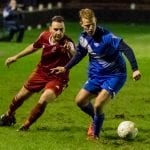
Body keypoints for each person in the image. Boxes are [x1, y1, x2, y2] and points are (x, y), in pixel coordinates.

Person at [50, 8, 141, 140]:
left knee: (98, 104)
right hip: (96, 76)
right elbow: (80, 54)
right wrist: (65, 67)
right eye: (87, 25)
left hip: (115, 75)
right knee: (80, 101)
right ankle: (96, 118)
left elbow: (127, 49)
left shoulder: (107, 37)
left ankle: (95, 135)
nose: (91, 27)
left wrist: (135, 69)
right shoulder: (83, 37)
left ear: (95, 21)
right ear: (81, 24)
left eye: (93, 24)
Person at [0, 16, 75, 131]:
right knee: (20, 97)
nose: (59, 32)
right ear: (50, 28)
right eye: (56, 29)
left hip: (58, 78)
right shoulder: (44, 36)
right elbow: (34, 46)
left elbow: (75, 54)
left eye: (62, 29)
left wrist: (70, 51)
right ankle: (8, 115)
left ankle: (26, 126)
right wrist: (16, 56)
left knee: (44, 98)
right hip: (41, 72)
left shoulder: (67, 43)